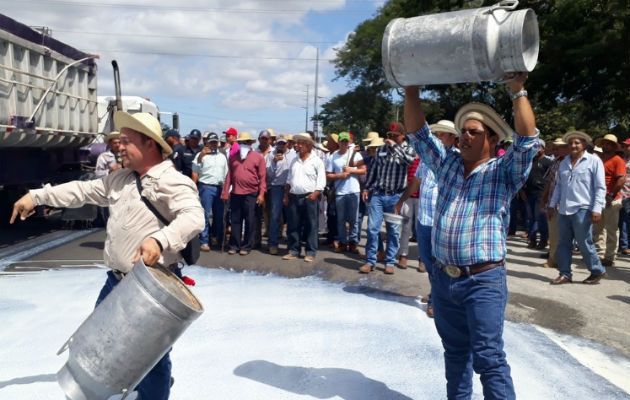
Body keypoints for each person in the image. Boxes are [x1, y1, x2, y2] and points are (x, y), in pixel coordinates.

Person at [11, 111, 204, 400]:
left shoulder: (172, 181)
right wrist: (37, 196)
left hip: (151, 290)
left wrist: (159, 240)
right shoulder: (120, 179)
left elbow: (193, 217)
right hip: (115, 283)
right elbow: (81, 190)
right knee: (103, 347)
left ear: (150, 144)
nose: (119, 146)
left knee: (151, 361)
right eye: (119, 140)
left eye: (127, 141)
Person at [404, 73, 538, 399]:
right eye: (463, 131)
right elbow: (419, 134)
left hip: (482, 280)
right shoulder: (447, 164)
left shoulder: (503, 172)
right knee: (455, 353)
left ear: (491, 139)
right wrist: (411, 86)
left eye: (473, 132)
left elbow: (527, 141)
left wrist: (518, 91)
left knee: (489, 358)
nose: (464, 136)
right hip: (443, 278)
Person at [548, 130, 607, 284]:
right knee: (563, 242)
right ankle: (565, 274)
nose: (573, 145)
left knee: (584, 242)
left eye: (577, 143)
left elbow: (600, 187)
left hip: (583, 208)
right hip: (564, 209)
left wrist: (597, 208)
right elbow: (559, 187)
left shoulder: (594, 161)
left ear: (584, 145)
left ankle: (597, 270)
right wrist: (552, 204)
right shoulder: (564, 162)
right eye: (571, 143)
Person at [359, 121, 416, 275]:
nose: (391, 138)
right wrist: (367, 187)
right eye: (389, 135)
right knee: (372, 229)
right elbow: (374, 170)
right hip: (378, 194)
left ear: (402, 136)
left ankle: (389, 261)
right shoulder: (381, 150)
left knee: (393, 231)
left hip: (396, 196)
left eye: (395, 136)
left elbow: (408, 162)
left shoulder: (408, 149)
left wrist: (395, 147)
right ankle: (370, 261)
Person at [282, 133, 326, 262]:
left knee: (311, 226)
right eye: (296, 143)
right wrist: (286, 195)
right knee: (293, 225)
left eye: (300, 143)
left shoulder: (317, 161)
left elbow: (321, 180)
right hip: (294, 197)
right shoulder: (294, 160)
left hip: (309, 197)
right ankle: (293, 250)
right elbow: (289, 180)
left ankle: (310, 252)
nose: (297, 145)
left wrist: (315, 194)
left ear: (308, 145)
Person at [221, 132, 266, 256]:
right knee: (235, 220)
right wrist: (225, 192)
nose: (243, 145)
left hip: (251, 193)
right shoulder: (233, 157)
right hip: (236, 193)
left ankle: (246, 246)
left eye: (246, 142)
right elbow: (229, 175)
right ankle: (234, 245)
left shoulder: (258, 157)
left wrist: (261, 194)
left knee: (250, 220)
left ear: (250, 144)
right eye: (240, 143)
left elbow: (262, 178)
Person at [326, 132, 365, 254]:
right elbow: (328, 175)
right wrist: (340, 175)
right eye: (342, 141)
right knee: (340, 219)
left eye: (346, 141)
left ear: (349, 142)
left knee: (354, 219)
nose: (344, 143)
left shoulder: (356, 154)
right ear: (339, 142)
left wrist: (351, 170)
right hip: (340, 192)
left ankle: (353, 243)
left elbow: (363, 170)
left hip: (354, 191)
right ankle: (343, 242)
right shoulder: (332, 157)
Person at [592, 134, 627, 266]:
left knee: (611, 229)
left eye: (609, 144)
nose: (606, 145)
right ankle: (598, 254)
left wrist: (611, 196)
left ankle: (609, 257)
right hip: (600, 197)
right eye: (605, 143)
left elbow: (621, 180)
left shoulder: (617, 160)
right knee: (598, 228)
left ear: (614, 146)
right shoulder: (601, 159)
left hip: (612, 199)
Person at [193, 132, 228, 251]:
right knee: (205, 215)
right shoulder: (200, 154)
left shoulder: (222, 156)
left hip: (219, 187)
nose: (213, 144)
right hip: (206, 187)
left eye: (215, 142)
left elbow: (226, 173)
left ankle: (214, 236)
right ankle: (204, 240)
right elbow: (195, 169)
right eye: (211, 142)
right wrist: (200, 157)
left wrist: (226, 189)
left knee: (219, 216)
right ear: (206, 142)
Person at [540, 137, 570, 268]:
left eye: (560, 147)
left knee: (567, 234)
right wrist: (544, 199)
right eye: (556, 147)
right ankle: (554, 259)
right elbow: (549, 182)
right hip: (553, 202)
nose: (556, 149)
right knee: (553, 232)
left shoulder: (573, 162)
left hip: (569, 204)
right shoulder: (555, 162)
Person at [266, 134, 296, 255]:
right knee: (274, 216)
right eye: (279, 143)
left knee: (291, 216)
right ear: (276, 143)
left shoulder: (294, 154)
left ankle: (291, 244)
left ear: (287, 143)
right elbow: (268, 175)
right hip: (276, 187)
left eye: (283, 143)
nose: (281, 145)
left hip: (290, 188)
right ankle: (273, 243)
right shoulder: (271, 155)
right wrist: (274, 162)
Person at [522, 139, 552, 249]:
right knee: (530, 218)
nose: (536, 149)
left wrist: (546, 195)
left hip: (541, 193)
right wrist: (522, 191)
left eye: (538, 147)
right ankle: (532, 239)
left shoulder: (548, 162)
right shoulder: (529, 162)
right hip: (528, 193)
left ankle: (543, 240)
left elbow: (550, 180)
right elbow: (523, 178)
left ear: (543, 148)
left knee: (540, 218)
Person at [619, 138, 630, 255]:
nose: (625, 148)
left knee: (626, 221)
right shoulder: (623, 159)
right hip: (621, 193)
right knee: (622, 220)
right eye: (624, 146)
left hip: (628, 194)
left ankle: (625, 245)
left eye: (627, 146)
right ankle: (624, 245)